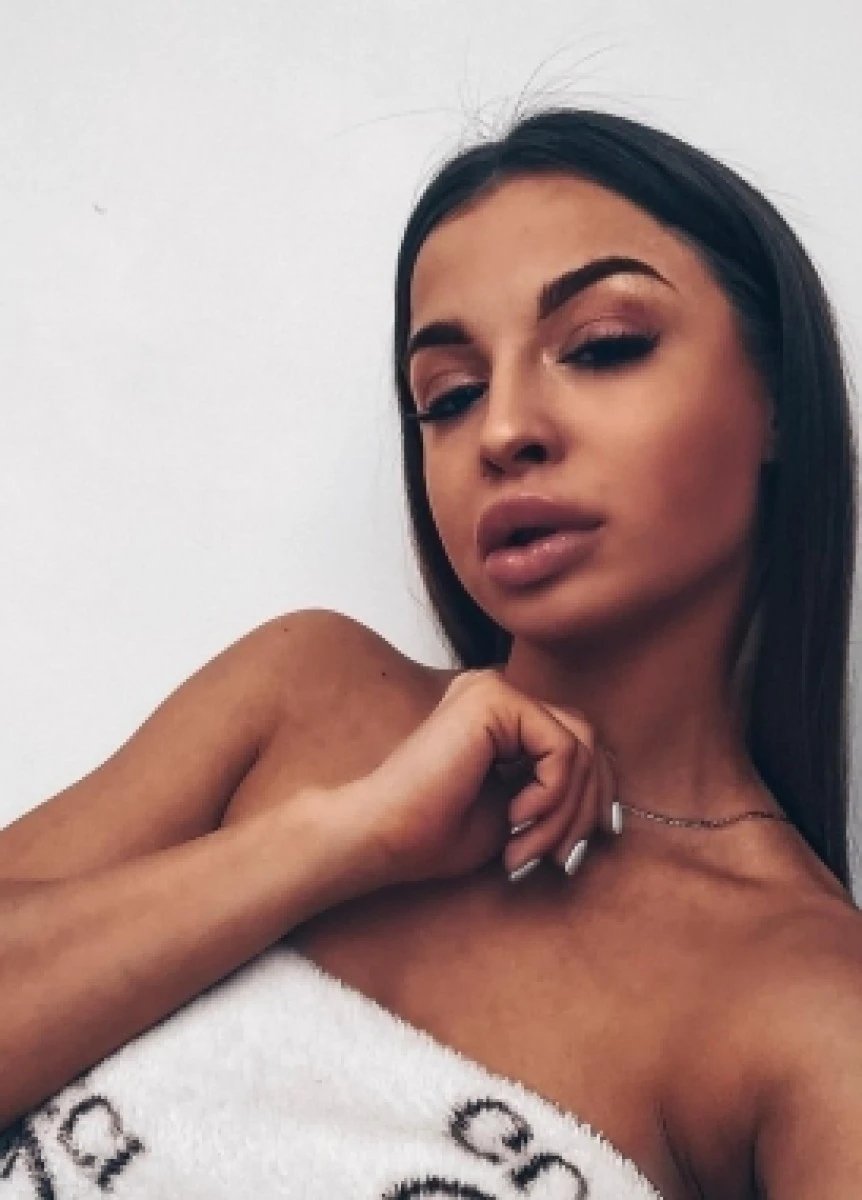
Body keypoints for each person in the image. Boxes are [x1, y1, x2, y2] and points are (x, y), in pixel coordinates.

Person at [1, 107, 860, 1199]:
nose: (502, 431)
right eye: (448, 397)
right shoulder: (305, 694)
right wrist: (337, 840)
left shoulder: (807, 1000)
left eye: (602, 347)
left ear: (777, 399)